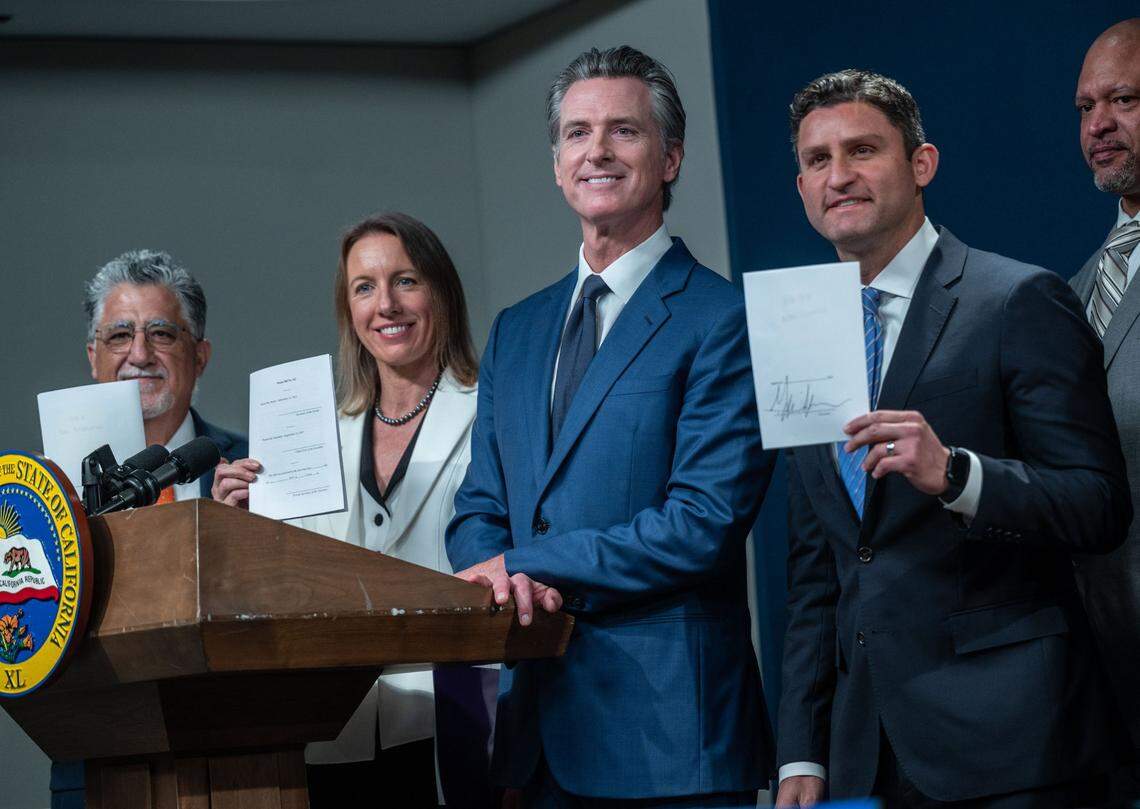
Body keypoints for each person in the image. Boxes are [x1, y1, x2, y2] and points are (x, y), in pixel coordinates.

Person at [774, 69, 1131, 809]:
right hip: (867, 752)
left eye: (862, 150)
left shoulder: (1018, 299)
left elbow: (1098, 504)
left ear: (921, 164)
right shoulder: (798, 329)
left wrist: (957, 474)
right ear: (802, 185)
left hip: (1014, 745)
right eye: (817, 160)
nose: (838, 176)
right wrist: (800, 753)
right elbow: (819, 569)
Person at [445, 46, 775, 807]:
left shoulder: (721, 320)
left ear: (671, 157)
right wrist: (498, 567)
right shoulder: (516, 330)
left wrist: (528, 564)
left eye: (623, 131)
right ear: (558, 164)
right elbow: (478, 508)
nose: (596, 150)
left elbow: (702, 523)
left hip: (669, 738)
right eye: (576, 133)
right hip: (537, 736)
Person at [211, 212, 493, 807]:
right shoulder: (313, 439)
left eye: (406, 281)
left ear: (441, 290)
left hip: (459, 721)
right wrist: (241, 527)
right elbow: (293, 583)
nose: (385, 304)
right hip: (338, 725)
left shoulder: (493, 410)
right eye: (364, 287)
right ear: (349, 310)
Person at [1070, 18, 1140, 802]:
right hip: (1107, 672)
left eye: (1123, 99)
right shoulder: (1076, 285)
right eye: (1086, 107)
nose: (1100, 126)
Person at [84, 249, 247, 494]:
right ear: (94, 358)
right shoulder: (53, 485)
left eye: (161, 334)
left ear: (199, 357)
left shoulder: (254, 465)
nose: (140, 356)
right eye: (119, 336)